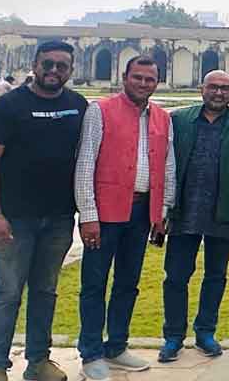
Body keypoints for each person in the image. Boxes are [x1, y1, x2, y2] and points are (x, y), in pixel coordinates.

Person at [0, 41, 86, 381]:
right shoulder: (9, 106)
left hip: (57, 217)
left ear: (70, 70)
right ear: (35, 65)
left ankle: (38, 361)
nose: (54, 71)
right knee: (9, 292)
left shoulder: (77, 106)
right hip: (15, 218)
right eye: (48, 64)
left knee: (45, 291)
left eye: (62, 66)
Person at [74, 56, 176, 381]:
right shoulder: (100, 110)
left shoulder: (162, 117)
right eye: (138, 77)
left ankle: (116, 346)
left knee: (127, 283)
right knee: (94, 283)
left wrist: (162, 211)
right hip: (105, 211)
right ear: (125, 77)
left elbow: (168, 166)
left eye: (149, 79)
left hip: (142, 212)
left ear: (157, 82)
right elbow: (85, 162)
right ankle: (91, 352)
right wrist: (88, 214)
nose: (143, 84)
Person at [158, 70, 229, 363]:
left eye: (225, 88)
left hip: (221, 210)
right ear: (202, 89)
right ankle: (173, 336)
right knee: (176, 276)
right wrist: (161, 208)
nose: (219, 93)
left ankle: (205, 332)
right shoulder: (180, 120)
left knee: (215, 275)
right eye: (213, 87)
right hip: (183, 210)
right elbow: (163, 164)